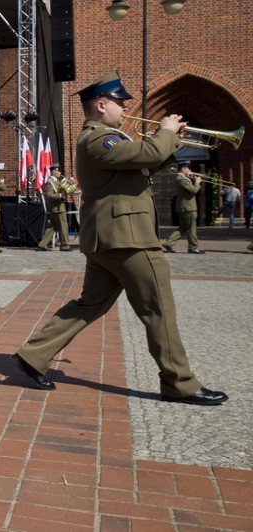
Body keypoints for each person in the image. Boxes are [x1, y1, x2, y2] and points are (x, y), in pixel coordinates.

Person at [12, 70, 227, 406]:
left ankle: (33, 355)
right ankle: (179, 383)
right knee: (158, 309)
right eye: (119, 103)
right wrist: (166, 133)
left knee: (90, 305)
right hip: (128, 239)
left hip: (110, 238)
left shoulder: (106, 139)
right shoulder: (100, 138)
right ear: (101, 105)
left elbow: (143, 166)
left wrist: (169, 141)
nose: (125, 110)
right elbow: (147, 156)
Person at [163, 161, 204, 254]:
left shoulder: (183, 178)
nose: (190, 170)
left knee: (183, 228)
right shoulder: (182, 179)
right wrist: (197, 182)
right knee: (191, 228)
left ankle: (168, 243)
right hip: (188, 207)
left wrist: (192, 179)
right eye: (188, 168)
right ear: (183, 169)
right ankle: (193, 248)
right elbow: (193, 190)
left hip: (183, 207)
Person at [36, 163, 73, 251]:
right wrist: (60, 195)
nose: (60, 172)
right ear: (53, 172)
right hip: (57, 208)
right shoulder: (50, 182)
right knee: (63, 226)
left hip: (58, 207)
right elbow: (49, 196)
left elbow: (64, 188)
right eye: (58, 171)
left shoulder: (57, 181)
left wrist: (70, 182)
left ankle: (42, 244)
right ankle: (64, 245)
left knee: (52, 227)